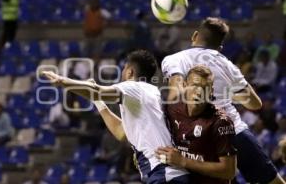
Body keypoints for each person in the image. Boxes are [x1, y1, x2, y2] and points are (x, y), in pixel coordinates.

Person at [161, 17, 285, 184]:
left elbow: (175, 95)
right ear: (219, 47)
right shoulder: (227, 64)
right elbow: (255, 103)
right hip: (235, 133)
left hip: (196, 138)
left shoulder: (175, 59)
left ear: (195, 35)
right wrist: (225, 93)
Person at [42, 50, 189, 183]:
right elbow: (122, 132)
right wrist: (98, 102)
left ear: (130, 72)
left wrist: (63, 81)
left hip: (163, 173)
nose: (122, 72)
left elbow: (98, 91)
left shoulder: (133, 87)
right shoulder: (148, 94)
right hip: (165, 173)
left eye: (124, 68)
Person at [156, 65, 237, 183]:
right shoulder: (171, 110)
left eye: (205, 88)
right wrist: (144, 157)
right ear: (184, 85)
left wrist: (183, 161)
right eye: (195, 86)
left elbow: (229, 171)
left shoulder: (221, 122)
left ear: (211, 91)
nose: (199, 92)